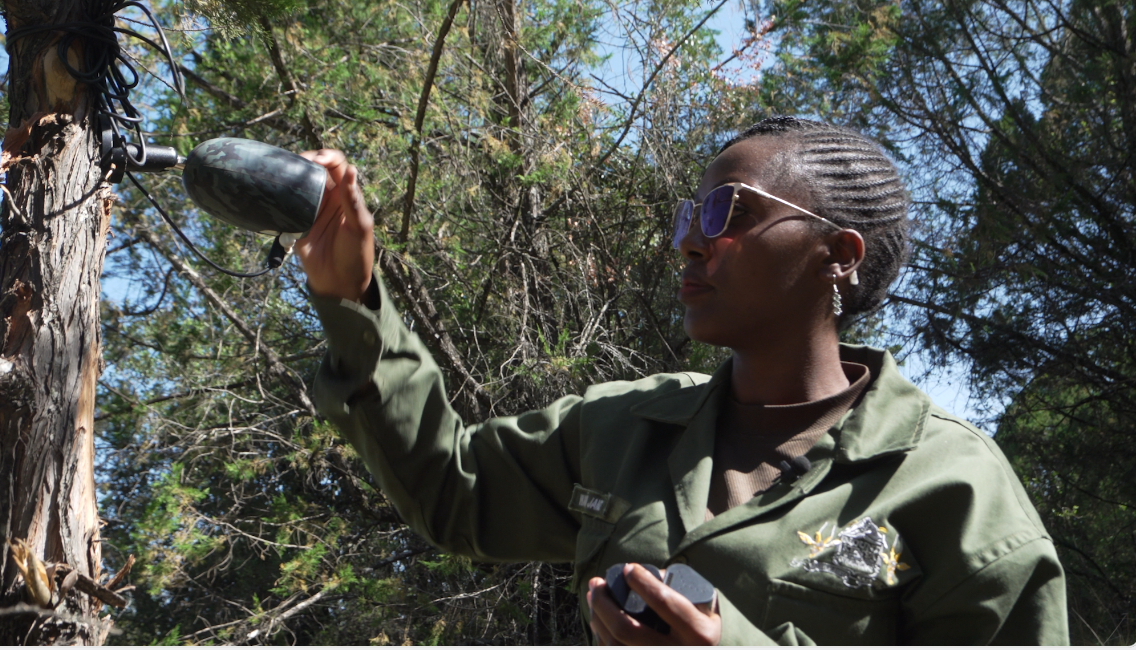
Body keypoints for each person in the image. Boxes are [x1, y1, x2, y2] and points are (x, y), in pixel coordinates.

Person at [295, 116, 1069, 644]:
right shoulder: (620, 428)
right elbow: (452, 489)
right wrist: (352, 300)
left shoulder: (953, 484)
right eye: (689, 218)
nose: (692, 246)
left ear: (838, 254)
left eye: (727, 213)